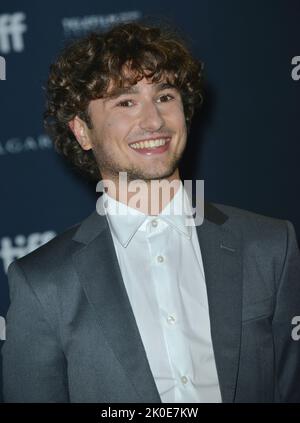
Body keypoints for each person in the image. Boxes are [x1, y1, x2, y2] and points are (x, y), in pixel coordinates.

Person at [2, 21, 300, 403]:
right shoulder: (44, 285)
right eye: (126, 102)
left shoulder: (269, 246)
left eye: (165, 96)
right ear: (83, 131)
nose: (154, 121)